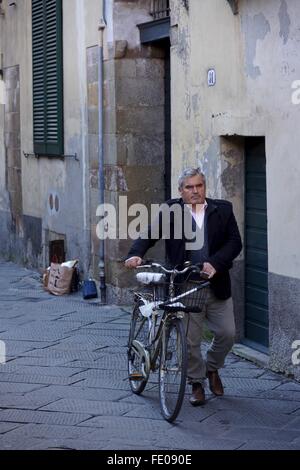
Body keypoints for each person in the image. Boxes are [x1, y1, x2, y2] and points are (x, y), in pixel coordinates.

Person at [125, 167, 242, 406]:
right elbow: (149, 234)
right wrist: (136, 254)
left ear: (205, 187)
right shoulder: (171, 210)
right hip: (185, 284)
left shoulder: (223, 209)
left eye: (199, 186)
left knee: (227, 334)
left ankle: (212, 368)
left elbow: (234, 243)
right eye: (189, 187)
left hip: (216, 283)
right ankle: (196, 383)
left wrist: (215, 263)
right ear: (181, 191)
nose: (195, 191)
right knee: (190, 340)